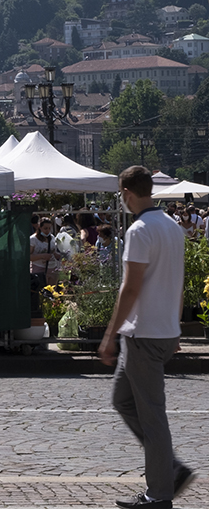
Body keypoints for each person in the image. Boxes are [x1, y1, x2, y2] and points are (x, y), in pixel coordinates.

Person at [100, 167, 195, 509]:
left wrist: (109, 335)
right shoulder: (171, 226)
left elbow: (131, 287)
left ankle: (160, 492)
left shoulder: (139, 230)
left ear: (126, 192)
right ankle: (168, 469)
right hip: (161, 330)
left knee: (152, 416)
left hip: (142, 333)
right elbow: (176, 281)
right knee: (123, 401)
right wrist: (176, 326)